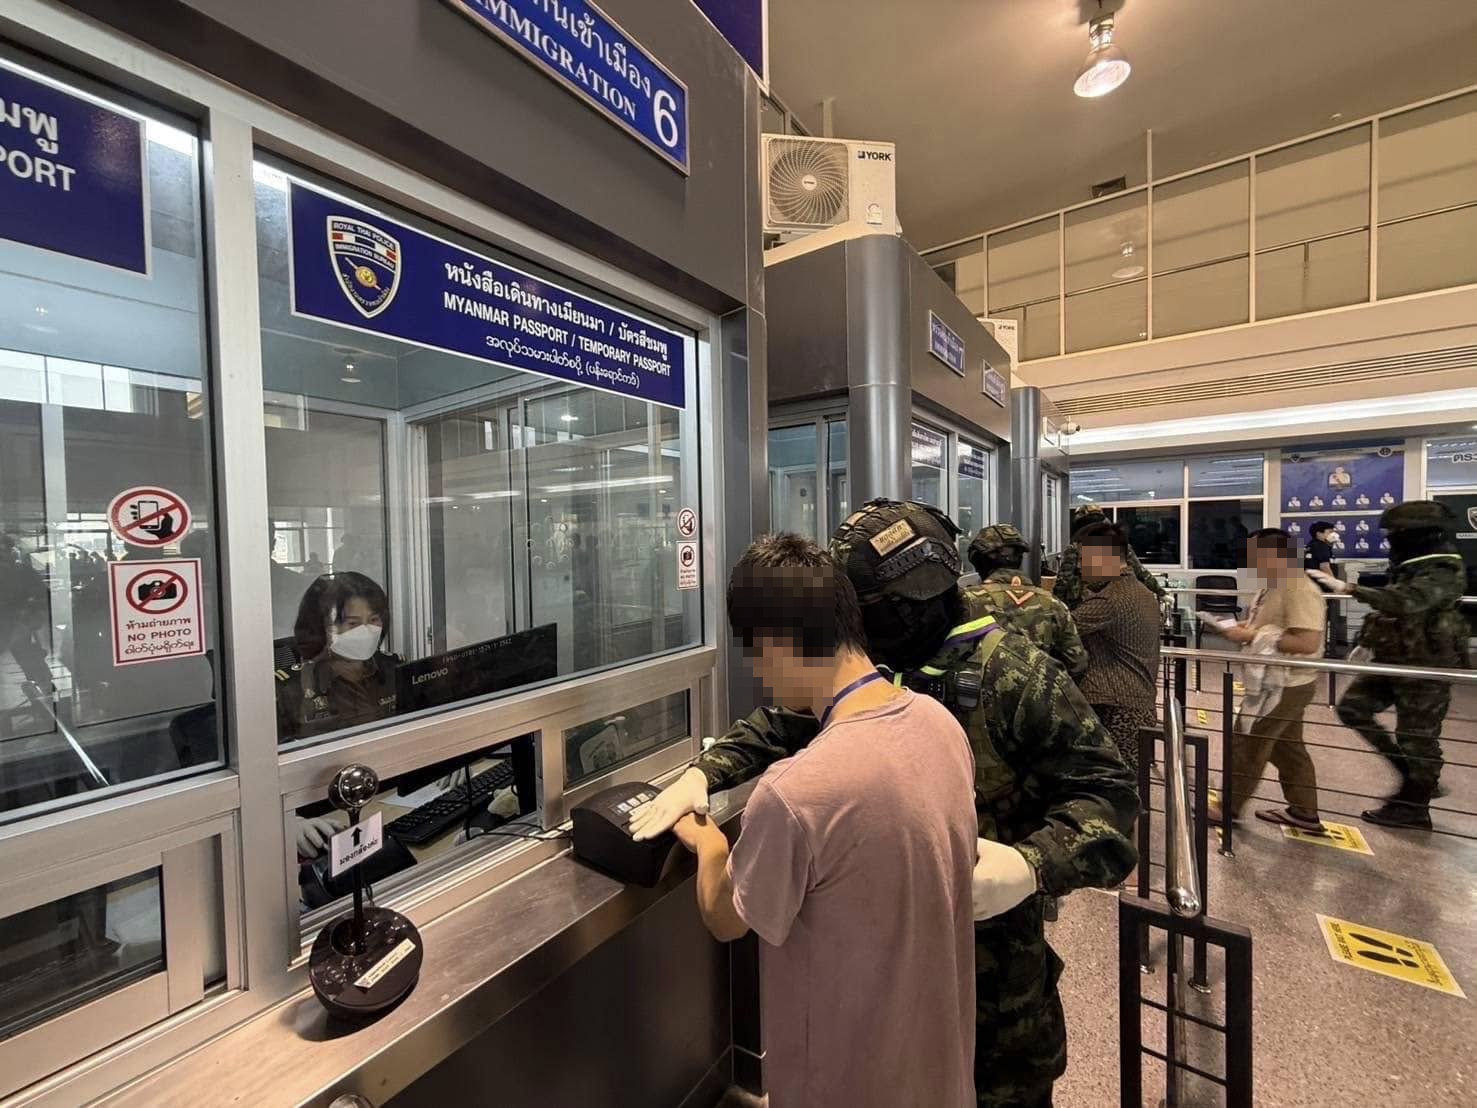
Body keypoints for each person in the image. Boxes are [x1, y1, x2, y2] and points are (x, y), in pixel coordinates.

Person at [631, 499, 1138, 1108]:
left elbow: (1113, 798)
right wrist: (705, 770)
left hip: (995, 987)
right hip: (890, 986)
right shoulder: (884, 670)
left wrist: (1033, 864)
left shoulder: (1012, 673)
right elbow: (788, 721)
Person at [670, 534, 977, 1108]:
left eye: (753, 653)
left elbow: (726, 918)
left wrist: (709, 844)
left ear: (777, 643)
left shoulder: (796, 793)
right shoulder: (941, 727)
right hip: (942, 1077)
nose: (759, 674)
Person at [1314, 501, 1470, 830]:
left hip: (1426, 664)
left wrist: (1352, 588)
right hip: (1394, 657)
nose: (1391, 539)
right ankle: (1411, 775)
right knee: (1353, 709)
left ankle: (1416, 803)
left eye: (1397, 532)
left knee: (1417, 736)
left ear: (1420, 533)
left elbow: (1406, 601)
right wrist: (1366, 642)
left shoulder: (1443, 566)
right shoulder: (1411, 564)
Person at [1208, 529, 1326, 831]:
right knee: (1287, 748)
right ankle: (1304, 812)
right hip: (1275, 681)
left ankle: (1228, 807)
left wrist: (1252, 636)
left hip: (1285, 684)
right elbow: (1270, 625)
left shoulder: (1298, 587)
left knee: (1248, 740)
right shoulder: (1273, 585)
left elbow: (1307, 642)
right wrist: (1244, 628)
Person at [1071, 523, 1161, 774]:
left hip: (1118, 710)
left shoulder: (1111, 599)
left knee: (1111, 782)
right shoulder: (1140, 591)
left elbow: (1060, 628)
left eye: (1083, 559)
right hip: (1137, 705)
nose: (1078, 566)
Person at [275, 571, 401, 745]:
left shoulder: (395, 669)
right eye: (353, 623)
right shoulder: (289, 689)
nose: (365, 631)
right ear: (325, 627)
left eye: (373, 620)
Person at [966, 523, 1088, 682]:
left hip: (977, 694)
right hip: (1038, 693)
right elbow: (1077, 663)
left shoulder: (968, 601)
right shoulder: (1053, 604)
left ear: (978, 561)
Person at [1053, 503, 1165, 611]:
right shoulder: (1116, 543)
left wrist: (1056, 603)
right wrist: (1161, 592)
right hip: (1113, 599)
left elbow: (1063, 580)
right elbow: (1141, 572)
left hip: (1086, 603)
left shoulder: (1076, 546)